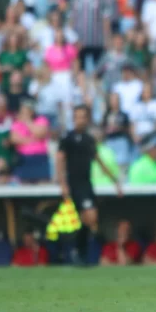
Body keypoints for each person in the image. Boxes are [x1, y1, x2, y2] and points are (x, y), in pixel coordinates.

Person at [56, 105, 123, 265]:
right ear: (74, 119)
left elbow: (98, 161)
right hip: (74, 184)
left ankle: (79, 251)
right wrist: (63, 184)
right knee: (89, 217)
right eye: (78, 116)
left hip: (87, 183)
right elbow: (60, 161)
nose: (80, 120)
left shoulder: (89, 139)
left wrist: (114, 181)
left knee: (89, 219)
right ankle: (80, 251)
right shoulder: (67, 139)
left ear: (87, 119)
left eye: (83, 117)